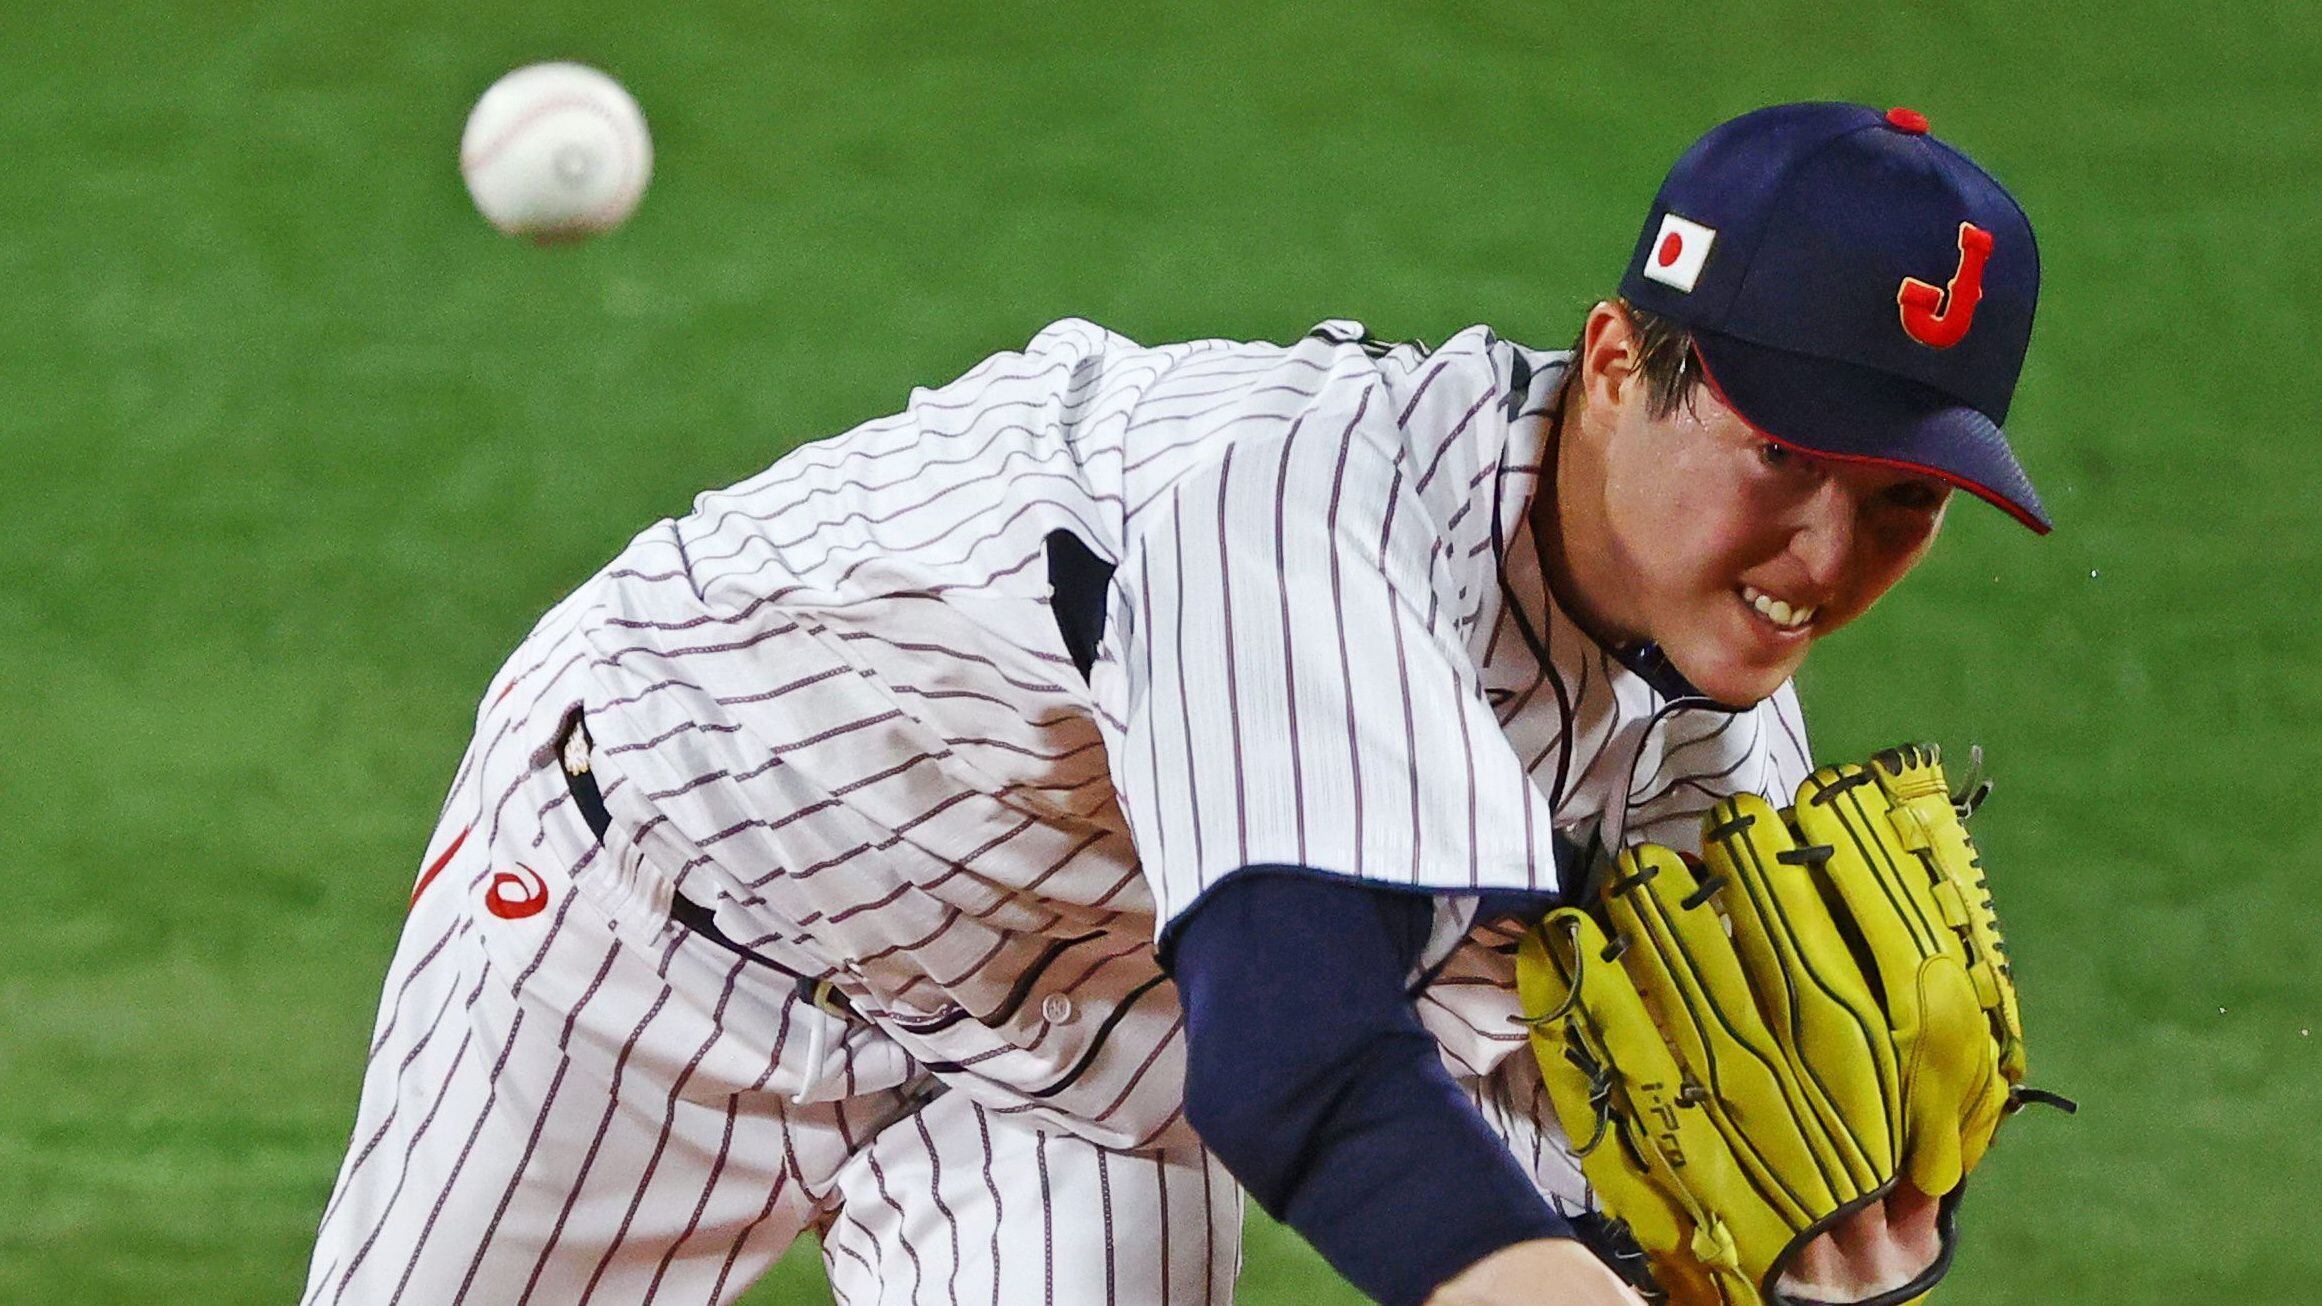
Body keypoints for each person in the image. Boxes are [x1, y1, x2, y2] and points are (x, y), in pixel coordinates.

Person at [304, 101, 2045, 1306]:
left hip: (1076, 1057)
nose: (1822, 552)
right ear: (1613, 365)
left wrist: (1810, 1254)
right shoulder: (1302, 514)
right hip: (673, 911)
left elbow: (1603, 1162)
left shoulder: (1717, 766)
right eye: (1783, 458)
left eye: (1899, 498)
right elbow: (1304, 1055)